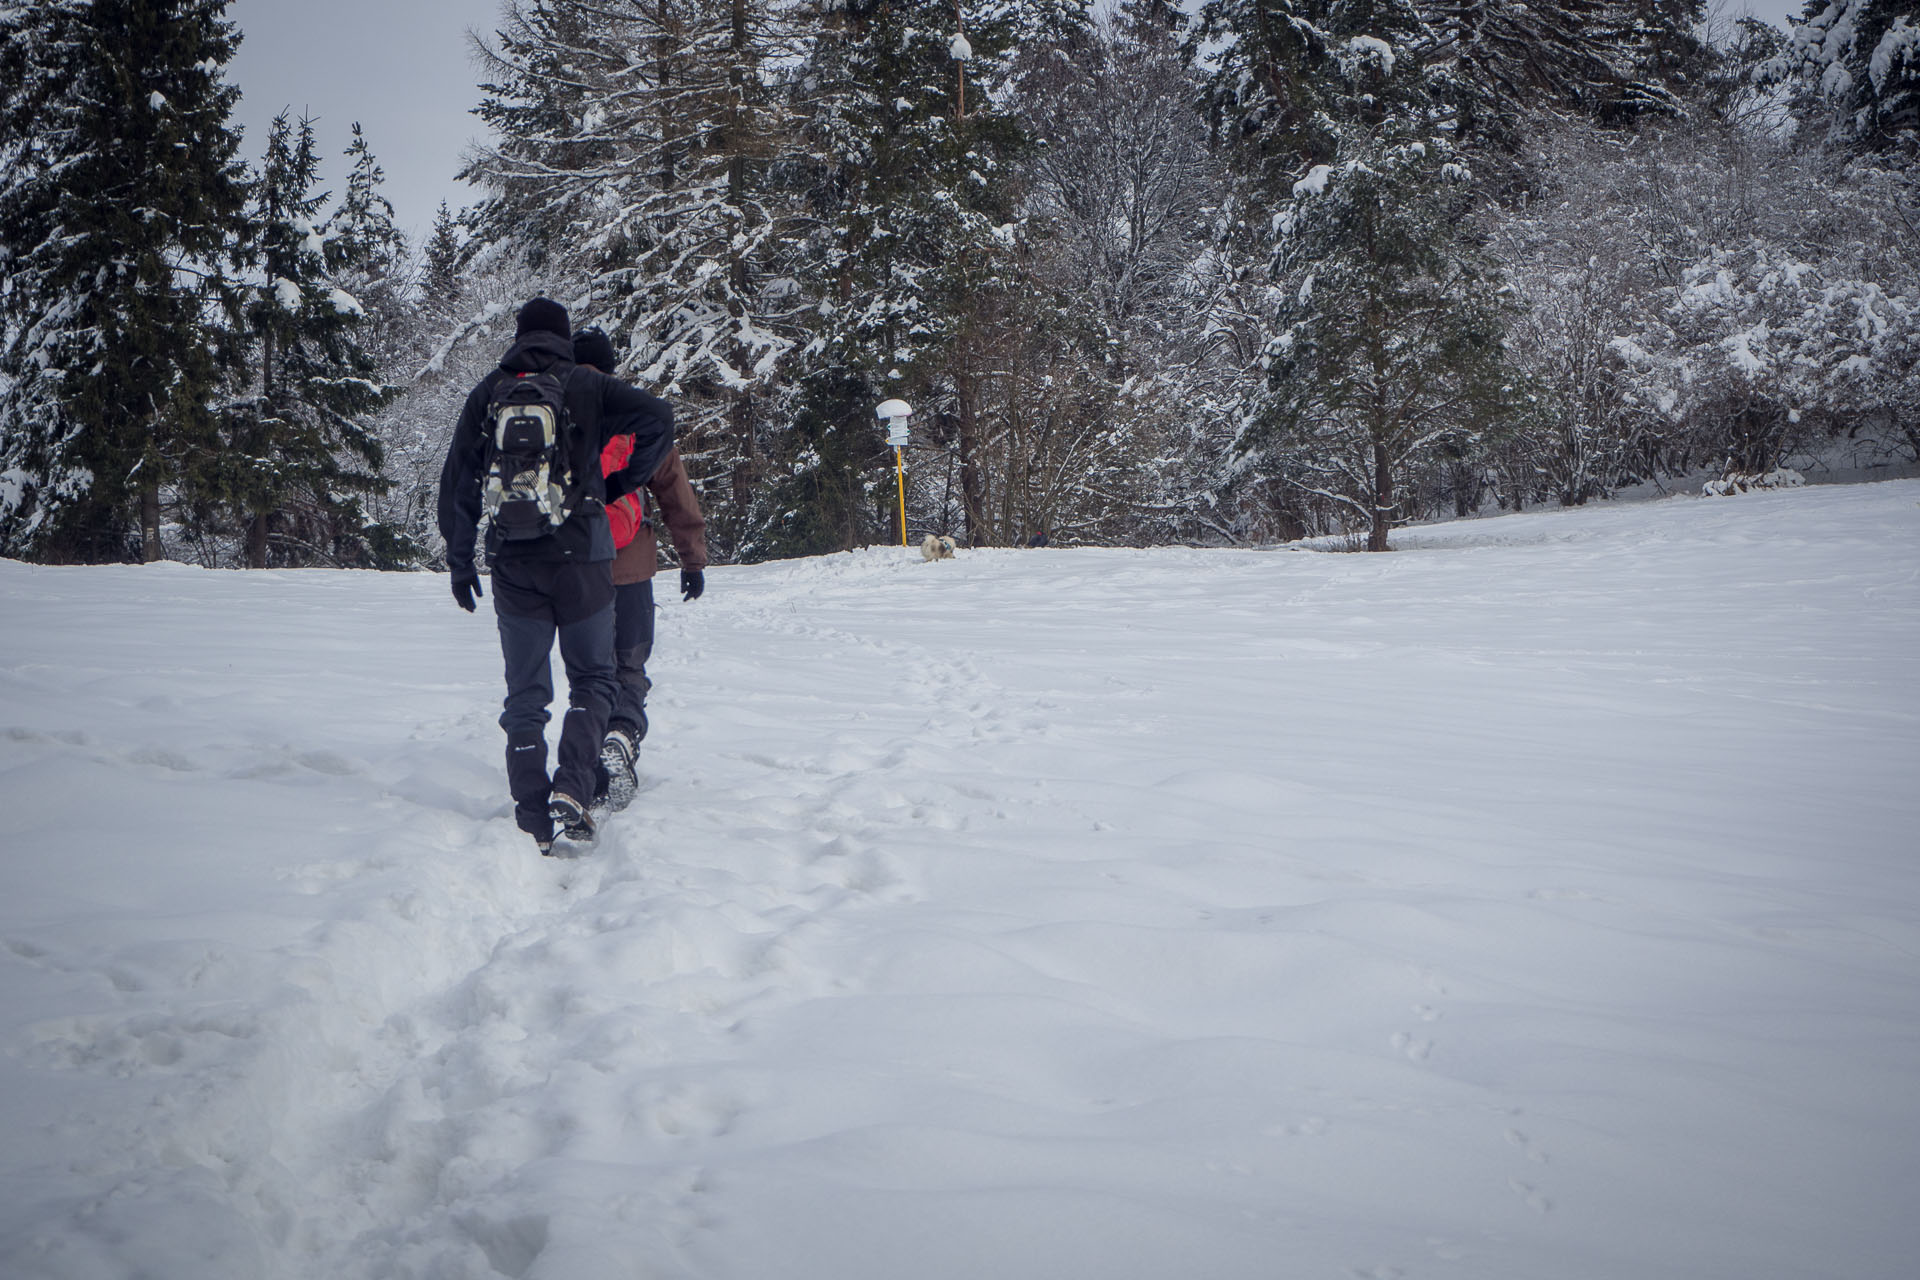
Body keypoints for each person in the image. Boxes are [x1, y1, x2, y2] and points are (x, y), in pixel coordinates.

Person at [437, 298, 674, 854]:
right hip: (585, 560)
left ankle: (531, 820)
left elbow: (458, 479)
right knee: (593, 679)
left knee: (526, 694)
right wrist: (615, 487)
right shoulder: (586, 385)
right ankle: (572, 785)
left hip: (513, 564)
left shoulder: (488, 392)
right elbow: (658, 418)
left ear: (519, 336)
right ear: (564, 338)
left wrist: (460, 559)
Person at [571, 327, 708, 811]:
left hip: (574, 570)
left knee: (589, 674)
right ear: (611, 367)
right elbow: (675, 493)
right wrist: (691, 559)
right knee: (629, 664)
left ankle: (587, 768)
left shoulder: (556, 412)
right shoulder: (637, 415)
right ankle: (623, 738)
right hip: (631, 565)